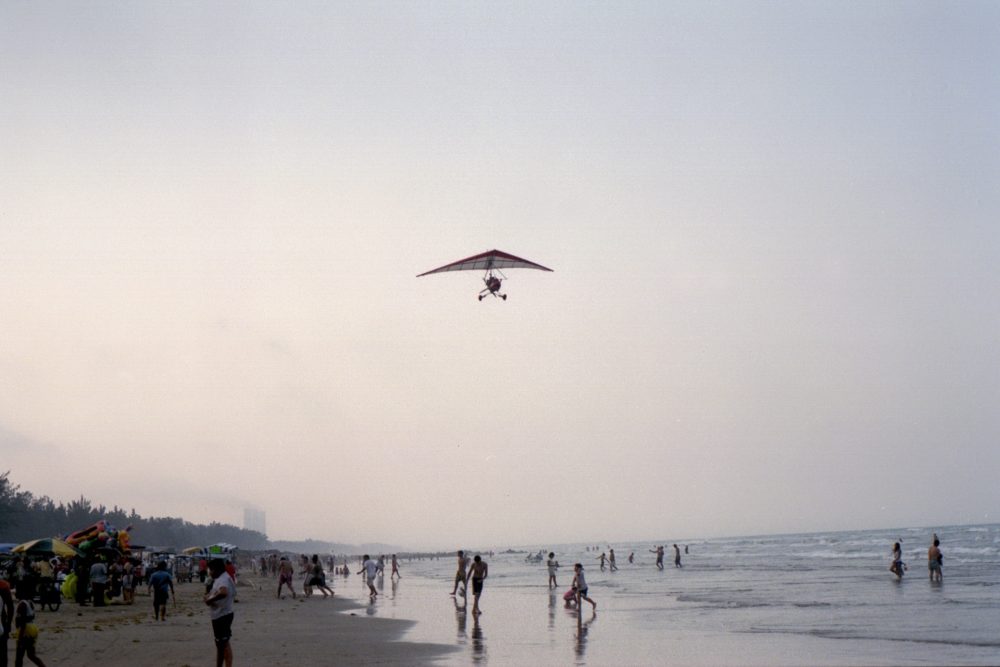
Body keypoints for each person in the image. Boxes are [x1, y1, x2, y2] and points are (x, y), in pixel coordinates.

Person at [204, 559, 235, 667]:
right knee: (221, 645)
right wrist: (209, 596)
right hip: (220, 615)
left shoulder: (223, 579)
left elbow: (223, 592)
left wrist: (209, 600)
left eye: (210, 570)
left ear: (216, 569)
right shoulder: (221, 578)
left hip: (222, 615)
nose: (209, 572)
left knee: (223, 645)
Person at [13, 587, 46, 667]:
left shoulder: (22, 604)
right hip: (32, 628)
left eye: (17, 592)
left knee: (19, 657)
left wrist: (20, 637)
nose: (15, 594)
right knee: (31, 655)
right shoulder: (29, 602)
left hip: (26, 630)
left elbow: (23, 621)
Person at [1, 574, 14, 667]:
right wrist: (8, 623)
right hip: (2, 622)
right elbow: (10, 606)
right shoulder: (3, 585)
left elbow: (10, 607)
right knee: (2, 652)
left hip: (2, 622)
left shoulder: (3, 585)